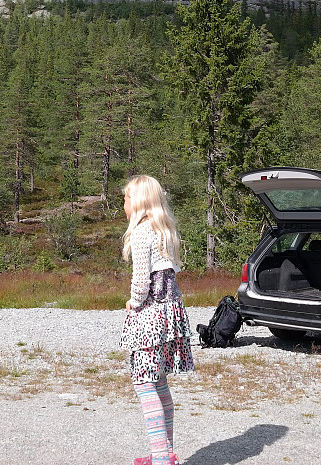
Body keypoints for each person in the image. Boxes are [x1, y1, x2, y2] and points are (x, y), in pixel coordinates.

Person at [119, 175, 194, 465]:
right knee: (159, 381)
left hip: (150, 316)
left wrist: (133, 302)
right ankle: (166, 452)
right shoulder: (165, 230)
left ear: (137, 202)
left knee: (143, 383)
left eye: (126, 198)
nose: (124, 204)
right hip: (171, 315)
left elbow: (141, 282)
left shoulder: (141, 231)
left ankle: (161, 458)